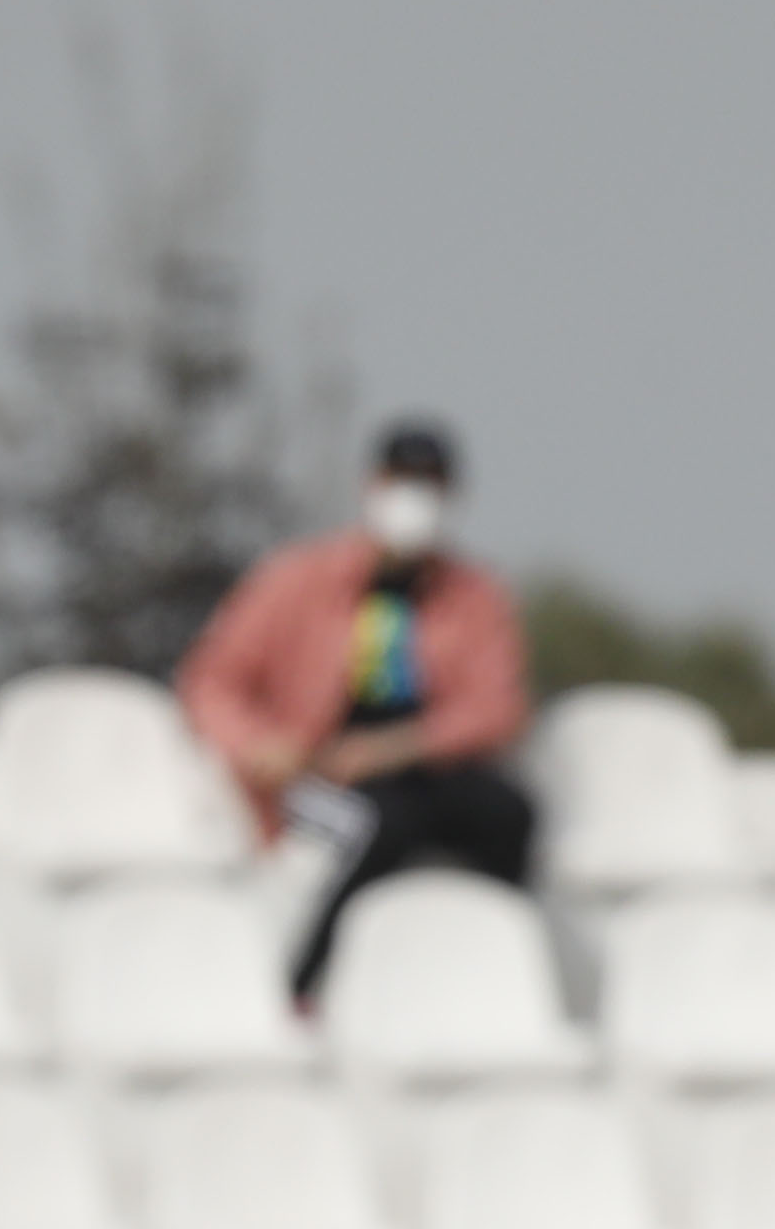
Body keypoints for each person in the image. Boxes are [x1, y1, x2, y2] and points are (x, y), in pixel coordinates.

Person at [178, 416, 541, 1007]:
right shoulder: (298, 580)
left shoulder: (473, 595)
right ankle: (304, 987)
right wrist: (255, 746)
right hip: (317, 775)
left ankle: (496, 982)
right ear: (372, 484)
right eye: (403, 479)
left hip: (421, 766)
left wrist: (398, 746)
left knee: (510, 813)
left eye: (431, 484)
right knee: (379, 826)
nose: (415, 498)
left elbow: (497, 706)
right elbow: (212, 680)